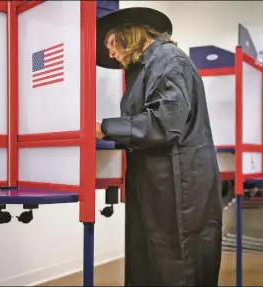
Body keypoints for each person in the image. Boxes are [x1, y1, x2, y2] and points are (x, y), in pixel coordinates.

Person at [95, 7, 223, 286]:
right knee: (151, 257)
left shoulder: (169, 59)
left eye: (110, 44)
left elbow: (165, 123)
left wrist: (105, 127)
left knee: (177, 262)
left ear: (128, 34)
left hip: (179, 180)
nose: (111, 53)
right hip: (157, 179)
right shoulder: (146, 67)